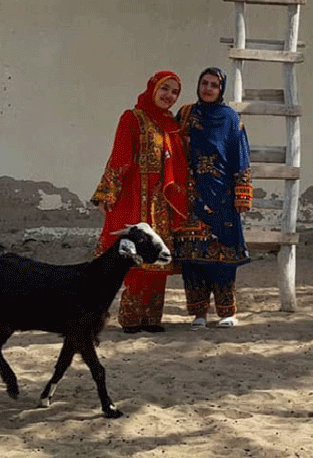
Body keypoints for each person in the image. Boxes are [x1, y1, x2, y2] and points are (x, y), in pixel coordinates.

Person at [90, 71, 188, 334]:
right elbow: (120, 156)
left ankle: (152, 317)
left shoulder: (171, 124)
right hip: (135, 196)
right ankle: (132, 317)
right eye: (164, 89)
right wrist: (107, 193)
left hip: (161, 202)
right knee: (134, 256)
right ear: (152, 88)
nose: (169, 96)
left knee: (157, 257)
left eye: (175, 92)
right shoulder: (133, 117)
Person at [174, 67, 252, 330]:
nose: (208, 88)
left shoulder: (231, 118)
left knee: (223, 257)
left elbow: (240, 156)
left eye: (214, 85)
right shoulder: (185, 114)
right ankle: (198, 313)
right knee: (192, 257)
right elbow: (171, 150)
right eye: (204, 83)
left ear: (221, 90)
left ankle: (226, 311)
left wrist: (242, 193)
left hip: (222, 197)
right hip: (191, 196)